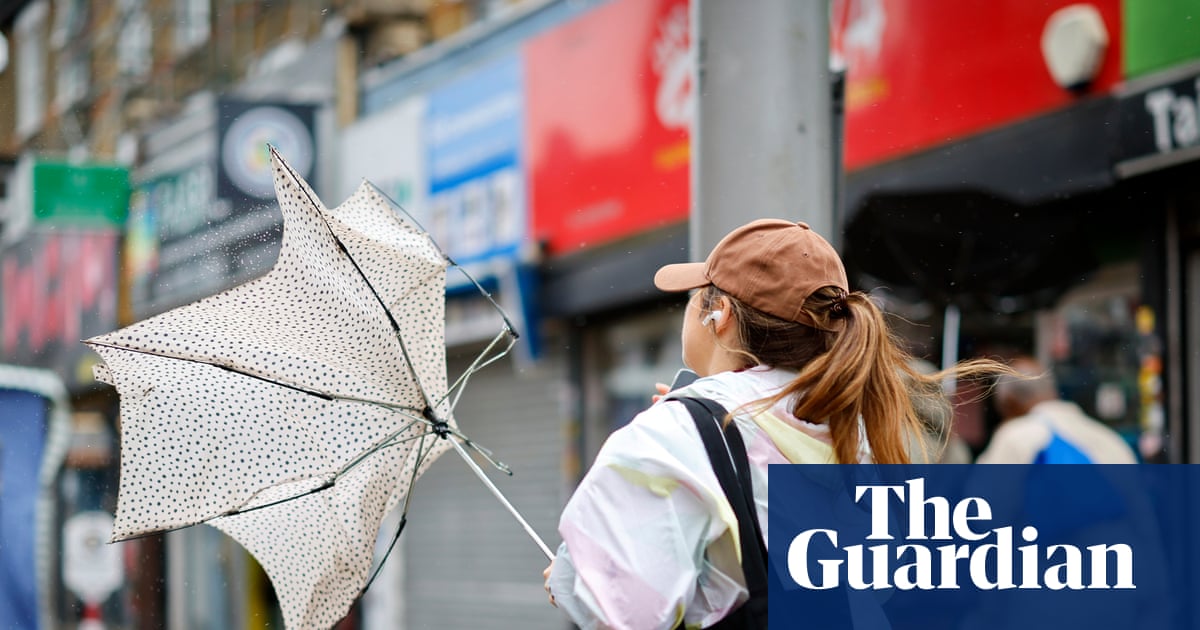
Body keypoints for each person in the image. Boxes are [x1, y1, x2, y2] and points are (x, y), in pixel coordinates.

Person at [541, 219, 1005, 629]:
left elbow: (623, 611)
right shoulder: (855, 424)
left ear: (719, 314)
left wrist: (573, 578)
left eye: (695, 296)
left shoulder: (675, 436)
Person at [976, 356, 1137, 464]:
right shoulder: (1112, 441)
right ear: (1053, 391)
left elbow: (982, 501)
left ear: (1009, 403)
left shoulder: (1017, 437)